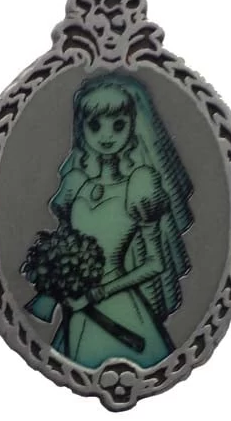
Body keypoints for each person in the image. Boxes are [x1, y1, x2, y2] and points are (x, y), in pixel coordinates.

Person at [29, 73, 193, 369]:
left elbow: (155, 263)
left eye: (118, 125)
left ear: (133, 127)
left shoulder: (139, 185)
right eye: (95, 125)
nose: (106, 136)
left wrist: (99, 292)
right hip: (76, 306)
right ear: (82, 129)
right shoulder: (75, 184)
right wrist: (58, 285)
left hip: (118, 304)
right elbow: (64, 246)